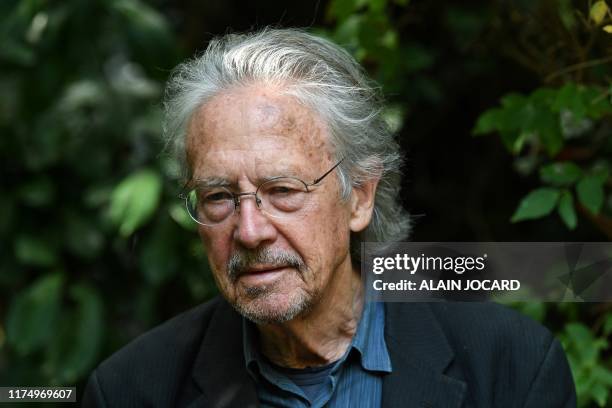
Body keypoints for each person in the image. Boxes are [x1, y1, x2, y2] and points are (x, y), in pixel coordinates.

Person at [82, 28, 576, 407]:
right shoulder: (131, 389)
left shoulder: (510, 366)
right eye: (218, 197)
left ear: (359, 197)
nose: (250, 230)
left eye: (282, 191)